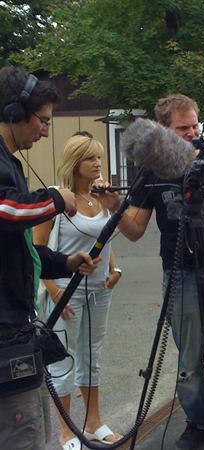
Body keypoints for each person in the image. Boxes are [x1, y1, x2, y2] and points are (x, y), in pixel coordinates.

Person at [95, 94, 204, 450]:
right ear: (164, 131)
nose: (192, 132)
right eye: (182, 128)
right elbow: (135, 230)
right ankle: (198, 422)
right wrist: (115, 207)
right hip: (179, 274)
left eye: (194, 125)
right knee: (190, 363)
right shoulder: (152, 170)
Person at [0, 66, 100, 449]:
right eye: (42, 121)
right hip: (5, 330)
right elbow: (6, 210)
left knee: (36, 430)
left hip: (18, 328)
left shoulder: (10, 164)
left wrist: (65, 263)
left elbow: (20, 247)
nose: (45, 131)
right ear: (14, 112)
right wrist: (56, 199)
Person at [34, 134, 122, 450]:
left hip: (99, 290)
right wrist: (54, 290)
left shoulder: (101, 197)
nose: (98, 163)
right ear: (75, 163)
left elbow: (103, 238)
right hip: (66, 293)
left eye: (99, 157)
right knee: (63, 360)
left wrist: (115, 269)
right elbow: (37, 251)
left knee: (92, 356)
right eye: (90, 158)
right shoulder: (60, 200)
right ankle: (66, 431)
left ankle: (93, 422)